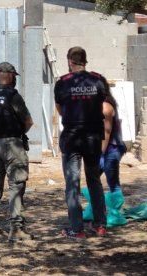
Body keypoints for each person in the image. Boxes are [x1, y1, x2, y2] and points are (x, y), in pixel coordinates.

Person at [54, 46, 107, 240]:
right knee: (94, 180)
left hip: (72, 139)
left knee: (72, 183)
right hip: (93, 138)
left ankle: (77, 230)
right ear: (85, 61)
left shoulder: (62, 83)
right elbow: (102, 102)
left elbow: (60, 109)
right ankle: (100, 225)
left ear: (69, 61)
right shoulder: (98, 80)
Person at [0, 62, 34, 242]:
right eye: (14, 76)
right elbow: (28, 122)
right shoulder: (13, 96)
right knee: (16, 185)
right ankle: (16, 229)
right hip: (11, 145)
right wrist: (17, 134)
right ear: (9, 76)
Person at [82, 87, 128, 226]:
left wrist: (99, 152)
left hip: (111, 148)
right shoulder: (97, 106)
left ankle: (115, 215)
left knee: (112, 181)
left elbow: (106, 133)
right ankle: (93, 210)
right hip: (103, 148)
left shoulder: (105, 106)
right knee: (93, 179)